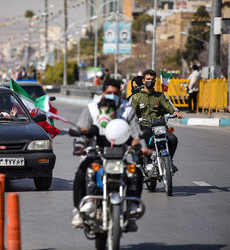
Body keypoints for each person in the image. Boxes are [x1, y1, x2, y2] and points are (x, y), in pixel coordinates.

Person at [71, 78, 150, 229]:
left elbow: (136, 133)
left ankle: (132, 208)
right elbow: (82, 132)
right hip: (96, 154)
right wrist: (80, 146)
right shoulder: (92, 109)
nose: (112, 96)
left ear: (120, 94)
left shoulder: (127, 110)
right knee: (81, 173)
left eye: (116, 93)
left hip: (120, 155)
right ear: (102, 93)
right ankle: (79, 211)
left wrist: (141, 147)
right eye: (109, 93)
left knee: (135, 173)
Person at [130, 69, 182, 170]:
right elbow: (130, 111)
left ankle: (169, 161)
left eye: (152, 79)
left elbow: (169, 106)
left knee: (172, 138)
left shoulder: (160, 96)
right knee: (140, 140)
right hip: (144, 127)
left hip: (159, 127)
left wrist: (175, 112)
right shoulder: (136, 97)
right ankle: (140, 162)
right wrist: (134, 118)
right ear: (144, 81)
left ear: (155, 81)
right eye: (148, 79)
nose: (150, 81)